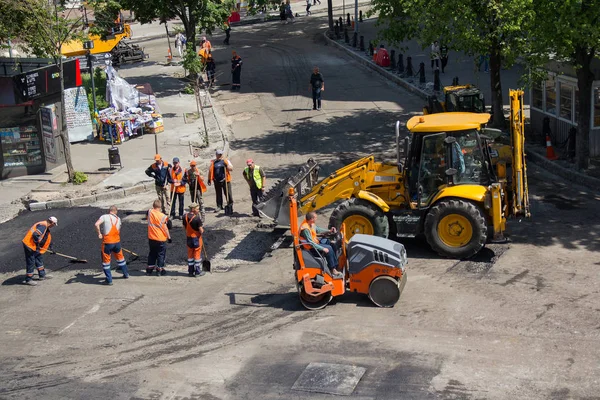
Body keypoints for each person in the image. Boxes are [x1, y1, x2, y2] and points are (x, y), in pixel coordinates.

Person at [299, 212, 341, 276]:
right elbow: (311, 243)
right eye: (315, 218)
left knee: (331, 243)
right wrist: (323, 248)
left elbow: (318, 229)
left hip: (316, 242)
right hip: (311, 248)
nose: (316, 219)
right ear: (312, 219)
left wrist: (329, 231)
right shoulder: (305, 229)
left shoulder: (311, 223)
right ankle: (332, 269)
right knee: (328, 249)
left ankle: (335, 263)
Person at [94, 205, 128, 285]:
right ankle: (126, 274)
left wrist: (99, 233)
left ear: (110, 210)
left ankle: (109, 280)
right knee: (121, 259)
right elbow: (118, 231)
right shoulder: (118, 219)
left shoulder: (104, 217)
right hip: (117, 243)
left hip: (107, 243)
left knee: (106, 262)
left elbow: (96, 224)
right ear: (116, 211)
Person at [21, 216, 57, 286]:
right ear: (52, 223)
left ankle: (42, 275)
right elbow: (35, 234)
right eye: (54, 224)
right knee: (31, 261)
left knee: (38, 258)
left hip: (34, 246)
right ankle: (28, 279)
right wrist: (37, 243)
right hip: (29, 245)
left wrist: (51, 248)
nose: (54, 226)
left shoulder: (46, 228)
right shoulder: (43, 226)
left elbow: (47, 239)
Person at [147, 199, 172, 276]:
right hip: (160, 239)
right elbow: (166, 228)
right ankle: (159, 270)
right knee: (161, 255)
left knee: (152, 254)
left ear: (153, 206)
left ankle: (149, 270)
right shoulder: (163, 216)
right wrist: (169, 237)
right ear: (160, 207)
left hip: (151, 238)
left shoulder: (149, 212)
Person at [182, 203, 206, 277]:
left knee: (190, 254)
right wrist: (202, 230)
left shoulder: (184, 216)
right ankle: (198, 271)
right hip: (196, 238)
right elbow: (201, 231)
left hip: (189, 238)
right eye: (197, 209)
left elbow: (184, 227)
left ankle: (190, 271)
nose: (198, 210)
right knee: (197, 254)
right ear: (193, 209)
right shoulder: (197, 219)